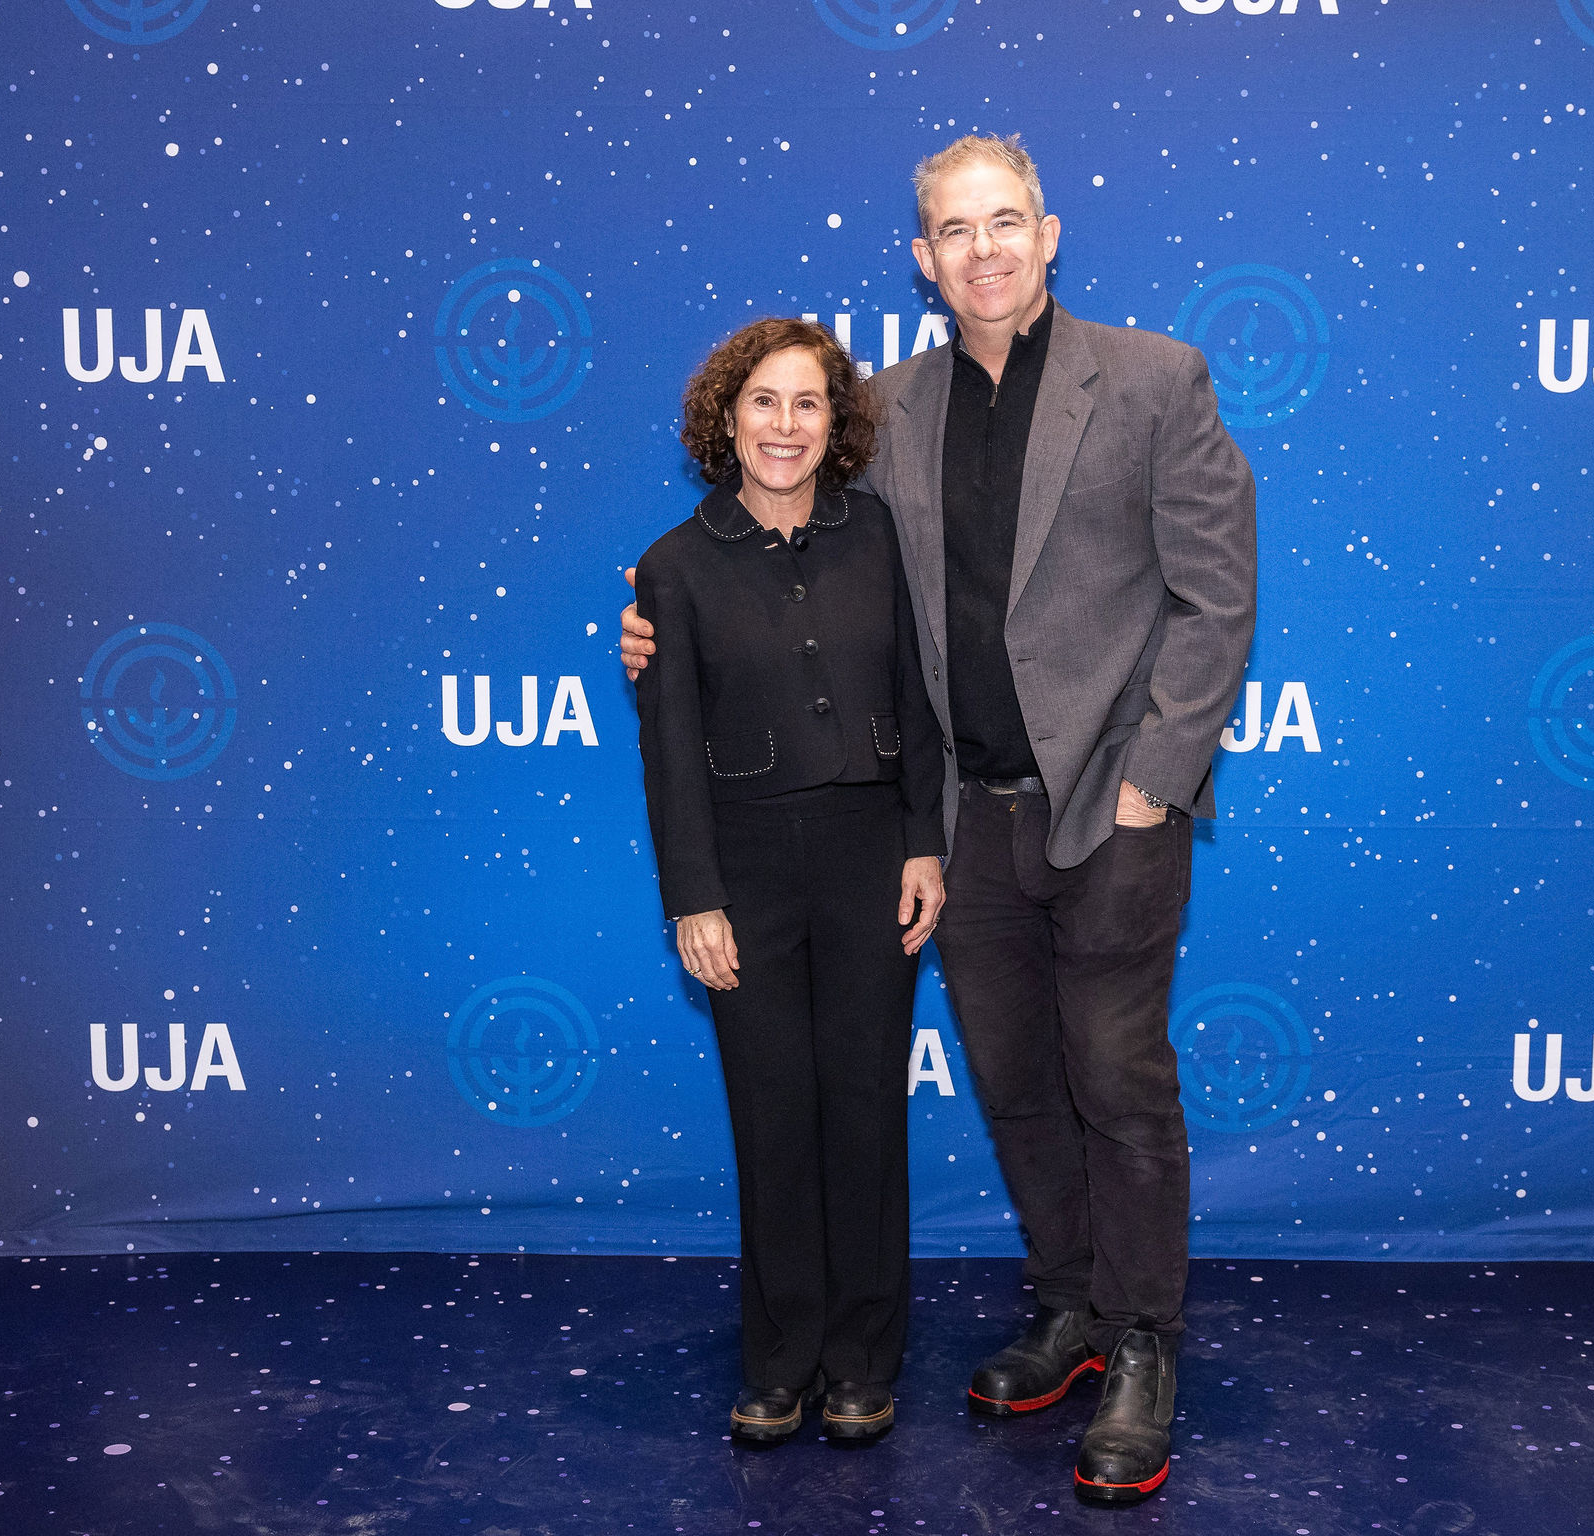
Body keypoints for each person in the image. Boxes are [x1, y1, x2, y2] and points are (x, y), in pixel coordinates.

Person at [624, 135, 1255, 1501]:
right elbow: (798, 563)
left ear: (1048, 233)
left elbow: (1217, 595)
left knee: (1117, 1079)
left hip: (1112, 806)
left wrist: (1153, 779)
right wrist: (669, 628)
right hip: (962, 824)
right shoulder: (886, 410)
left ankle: (1143, 1342)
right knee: (1016, 1083)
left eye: (1005, 221)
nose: (984, 249)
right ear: (922, 259)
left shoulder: (1155, 380)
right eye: (955, 230)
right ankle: (1069, 1306)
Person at [633, 317, 947, 1445]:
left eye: (806, 402)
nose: (784, 424)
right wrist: (693, 896)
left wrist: (924, 843)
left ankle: (862, 1357)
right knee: (772, 1117)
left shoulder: (882, 538)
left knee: (864, 1111)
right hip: (745, 871)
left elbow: (918, 699)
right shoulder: (672, 567)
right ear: (726, 420)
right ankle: (778, 1359)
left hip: (873, 859)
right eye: (762, 401)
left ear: (835, 423)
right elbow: (669, 750)